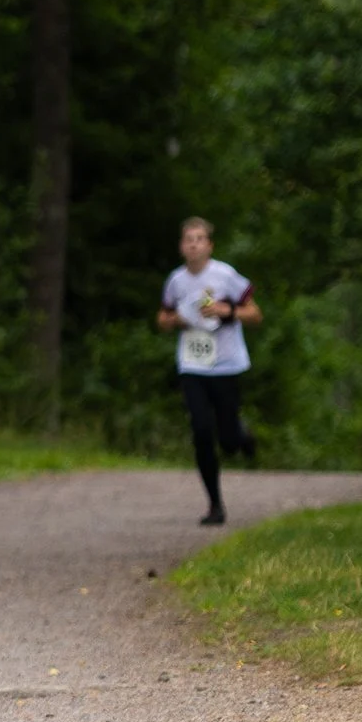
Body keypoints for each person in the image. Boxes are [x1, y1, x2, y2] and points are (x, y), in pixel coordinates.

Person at [156, 216, 262, 525]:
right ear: (181, 246)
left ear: (209, 245)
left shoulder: (226, 276)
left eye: (199, 238)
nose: (193, 243)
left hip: (227, 364)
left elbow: (255, 314)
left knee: (227, 440)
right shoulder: (176, 281)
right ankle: (215, 504)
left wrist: (226, 311)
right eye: (188, 238)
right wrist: (177, 319)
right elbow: (162, 319)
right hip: (193, 365)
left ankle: (241, 436)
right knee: (201, 431)